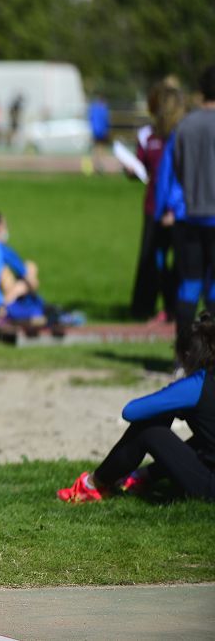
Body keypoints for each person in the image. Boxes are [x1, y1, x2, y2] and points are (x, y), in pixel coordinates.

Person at [58, 311, 215, 503]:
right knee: (203, 438)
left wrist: (173, 394)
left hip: (210, 488)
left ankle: (91, 485)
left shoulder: (195, 385)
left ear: (188, 355)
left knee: (148, 430)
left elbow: (131, 411)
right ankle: (141, 477)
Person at [165, 64, 215, 357]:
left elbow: (173, 174)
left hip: (190, 215)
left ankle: (182, 358)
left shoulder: (184, 126)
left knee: (188, 287)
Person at [128, 79, 185, 322]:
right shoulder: (148, 135)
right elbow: (143, 167)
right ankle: (148, 307)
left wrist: (177, 207)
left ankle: (176, 308)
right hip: (155, 206)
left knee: (182, 261)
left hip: (181, 208)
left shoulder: (183, 135)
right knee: (153, 259)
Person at [89, 94, 111, 174]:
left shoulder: (93, 109)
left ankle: (96, 166)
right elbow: (106, 121)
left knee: (96, 149)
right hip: (102, 132)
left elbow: (91, 120)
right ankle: (100, 166)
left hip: (95, 132)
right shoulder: (103, 110)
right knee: (101, 149)